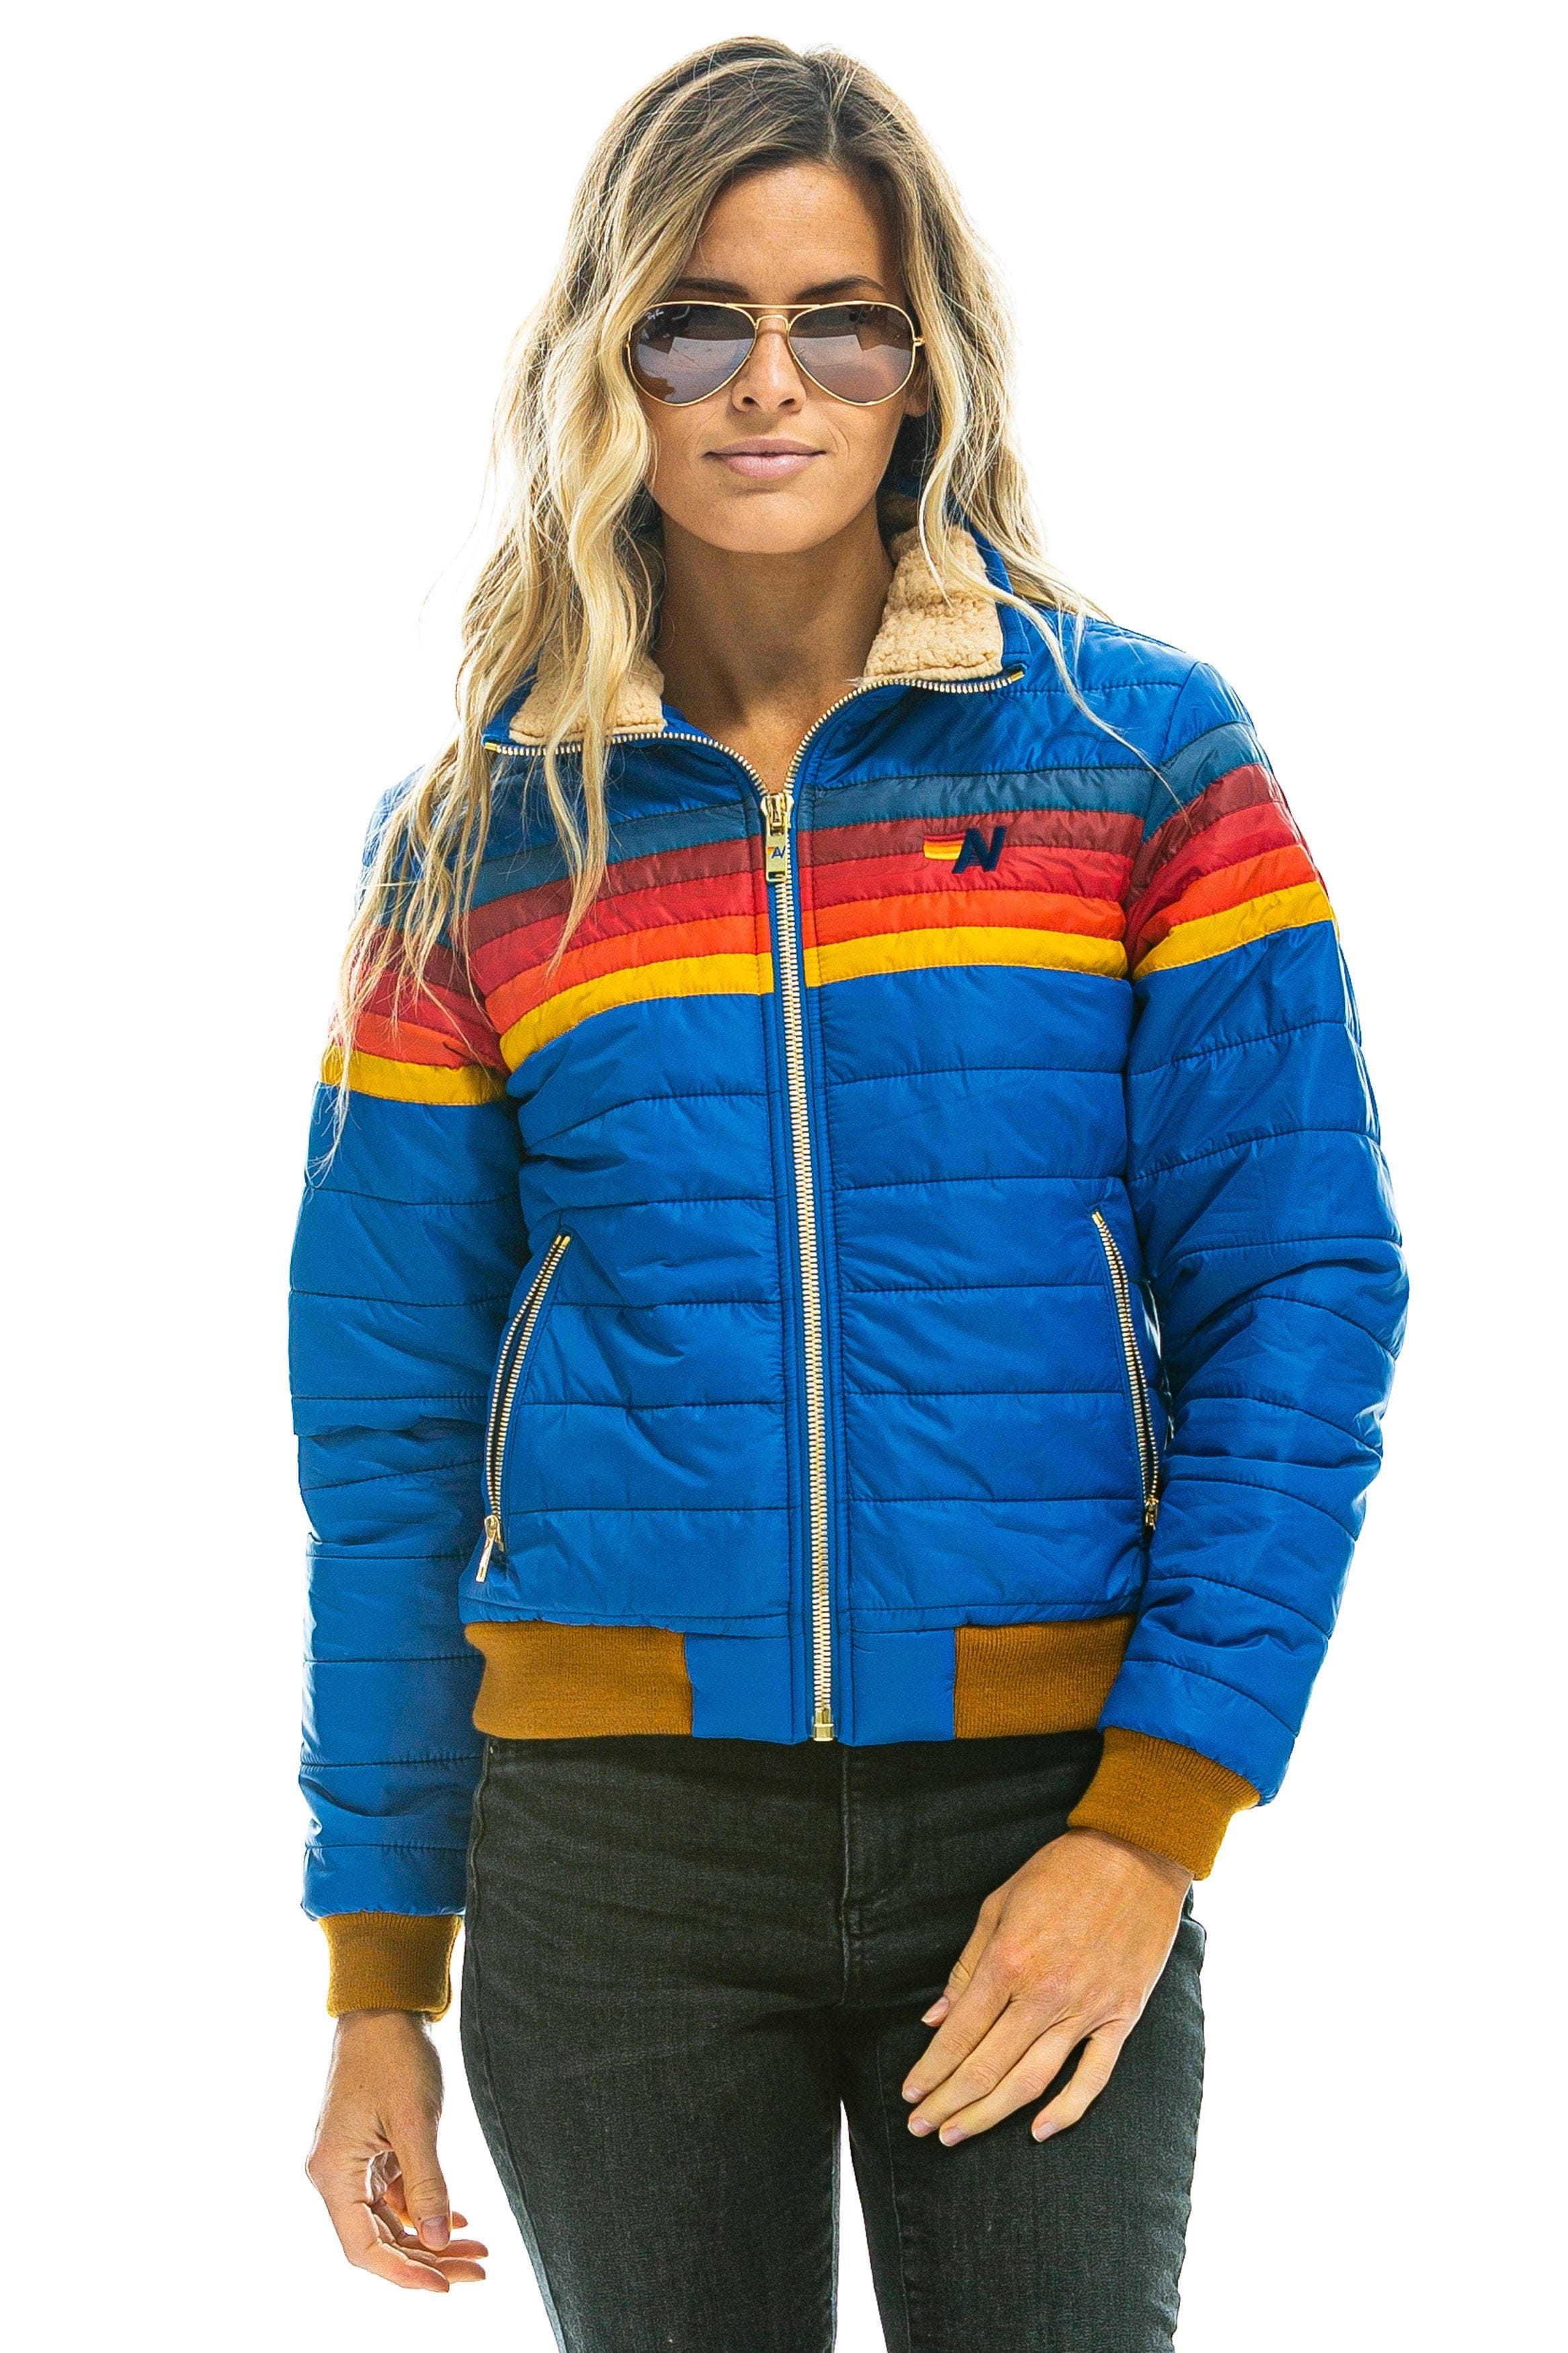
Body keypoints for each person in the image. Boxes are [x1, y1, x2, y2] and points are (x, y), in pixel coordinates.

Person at [294, 38, 1406, 2352]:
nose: (769, 383)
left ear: (928, 363)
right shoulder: (479, 841)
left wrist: (1152, 1821)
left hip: (1038, 1818)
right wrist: (379, 1968)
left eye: (842, 322)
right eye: (698, 321)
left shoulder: (1141, 763)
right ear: (611, 359)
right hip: (609, 1854)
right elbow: (387, 1416)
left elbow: (1304, 1289)